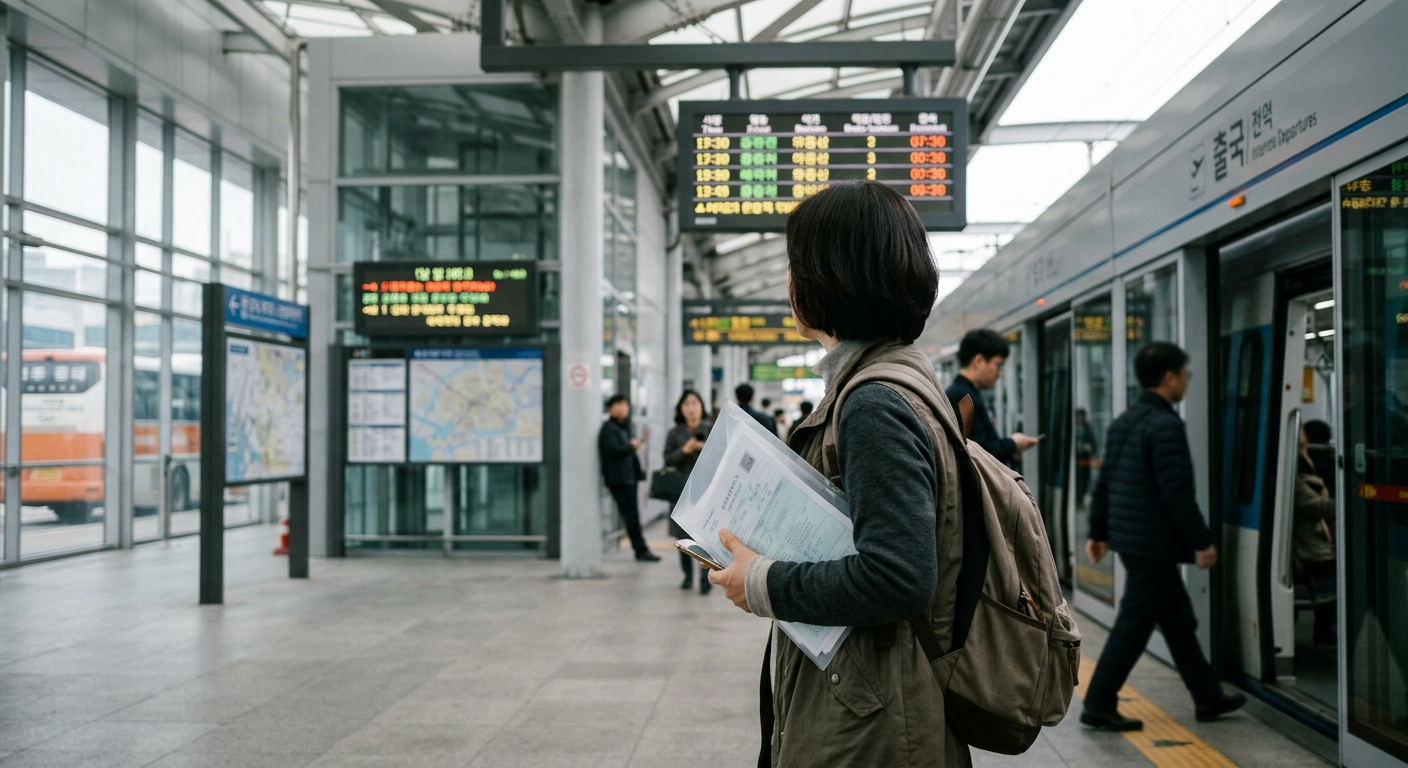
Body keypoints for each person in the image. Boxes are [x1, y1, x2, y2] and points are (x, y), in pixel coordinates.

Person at [707, 181, 971, 767]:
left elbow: (899, 576)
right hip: (877, 697)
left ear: (829, 277)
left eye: (794, 264)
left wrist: (762, 581)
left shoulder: (873, 401)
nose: (787, 281)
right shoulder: (898, 379)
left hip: (874, 717)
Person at [1082, 342, 1244, 731]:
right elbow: (1177, 492)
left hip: (1132, 539)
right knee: (1133, 626)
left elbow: (1104, 482)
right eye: (1185, 374)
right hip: (1152, 544)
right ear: (1169, 377)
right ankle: (1098, 703)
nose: (1187, 381)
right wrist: (1201, 541)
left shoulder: (1124, 421)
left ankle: (1207, 696)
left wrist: (1098, 531)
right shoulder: (1166, 425)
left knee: (1176, 620)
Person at [944, 329, 1038, 469]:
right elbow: (977, 454)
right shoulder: (964, 398)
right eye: (997, 365)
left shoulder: (961, 393)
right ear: (979, 361)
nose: (1000, 373)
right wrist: (1013, 443)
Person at [597, 394, 659, 562]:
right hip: (619, 479)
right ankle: (640, 549)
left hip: (627, 477)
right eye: (617, 404)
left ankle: (640, 548)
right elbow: (614, 452)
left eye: (624, 404)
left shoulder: (621, 427)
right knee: (631, 515)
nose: (622, 408)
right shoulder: (609, 428)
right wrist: (631, 446)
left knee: (632, 514)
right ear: (609, 408)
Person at [665, 389, 713, 593]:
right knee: (683, 535)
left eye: (695, 403)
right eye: (687, 404)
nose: (691, 408)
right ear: (680, 409)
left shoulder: (711, 429)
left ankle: (704, 578)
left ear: (702, 407)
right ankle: (687, 576)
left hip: (707, 491)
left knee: (705, 537)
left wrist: (704, 448)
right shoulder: (675, 433)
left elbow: (724, 456)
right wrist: (685, 450)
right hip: (682, 492)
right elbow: (667, 459)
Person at [1292, 426, 1337, 646]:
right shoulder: (1296, 476)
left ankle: (1324, 630)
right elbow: (1315, 506)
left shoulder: (1310, 469)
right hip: (1307, 542)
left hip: (1315, 536)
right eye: (1302, 445)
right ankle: (1323, 631)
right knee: (1328, 580)